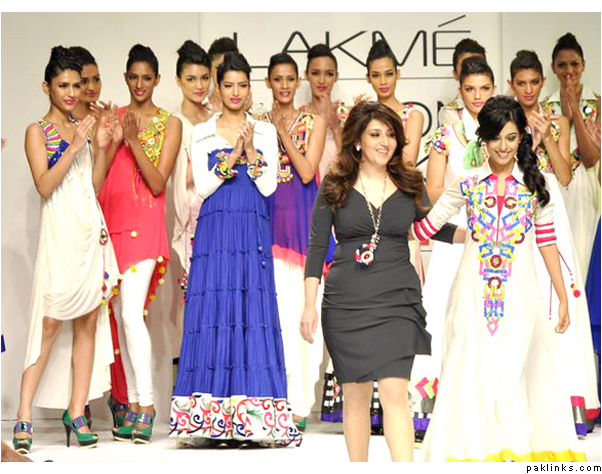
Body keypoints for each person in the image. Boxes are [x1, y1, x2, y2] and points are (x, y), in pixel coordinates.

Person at [420, 96, 584, 462]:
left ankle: (512, 447)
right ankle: (479, 449)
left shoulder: (535, 184)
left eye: (511, 137)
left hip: (522, 292)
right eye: (495, 137)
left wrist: (562, 297)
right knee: (472, 367)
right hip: (470, 291)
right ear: (483, 139)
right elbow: (428, 225)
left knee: (512, 369)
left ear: (521, 137)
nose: (503, 146)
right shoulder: (467, 182)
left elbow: (547, 242)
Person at [301, 101, 461, 461]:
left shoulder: (409, 182)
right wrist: (309, 305)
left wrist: (476, 234)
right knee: (355, 396)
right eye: (375, 134)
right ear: (357, 140)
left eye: (390, 134)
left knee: (394, 392)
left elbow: (431, 227)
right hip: (346, 303)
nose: (384, 142)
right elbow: (316, 247)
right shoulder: (335, 184)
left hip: (398, 298)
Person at [169, 52, 301, 447]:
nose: (236, 92)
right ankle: (211, 423)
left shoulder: (264, 130)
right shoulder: (202, 131)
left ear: (250, 88)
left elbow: (269, 186)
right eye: (228, 85)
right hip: (215, 232)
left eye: (243, 85)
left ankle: (252, 421)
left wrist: (252, 152)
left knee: (250, 312)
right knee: (215, 312)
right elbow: (203, 186)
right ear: (218, 87)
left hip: (251, 229)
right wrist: (232, 154)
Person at [13, 46, 118, 453]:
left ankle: (77, 411)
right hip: (59, 234)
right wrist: (75, 145)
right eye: (63, 86)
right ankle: (23, 414)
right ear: (47, 87)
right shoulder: (37, 131)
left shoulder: (83, 127)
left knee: (88, 321)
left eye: (77, 85)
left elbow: (93, 185)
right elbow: (44, 185)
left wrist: (102, 145)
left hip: (88, 230)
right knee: (49, 323)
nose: (72, 93)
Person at [510, 49, 600, 435]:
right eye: (521, 83)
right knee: (523, 299)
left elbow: (563, 176)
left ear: (542, 82)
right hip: (517, 216)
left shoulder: (558, 121)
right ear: (512, 84)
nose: (528, 89)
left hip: (552, 216)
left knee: (560, 299)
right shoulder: (506, 120)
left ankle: (565, 403)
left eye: (534, 82)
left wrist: (546, 137)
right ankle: (522, 403)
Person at [98, 44, 182, 444]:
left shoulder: (170, 124)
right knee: (119, 315)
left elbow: (158, 182)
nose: (139, 84)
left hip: (144, 227)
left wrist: (131, 140)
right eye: (133, 77)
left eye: (147, 78)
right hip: (111, 223)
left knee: (132, 313)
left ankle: (147, 405)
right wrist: (109, 140)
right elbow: (99, 175)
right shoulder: (113, 118)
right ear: (125, 77)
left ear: (158, 80)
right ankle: (132, 403)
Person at [409, 55, 495, 440]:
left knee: (488, 313)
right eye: (470, 89)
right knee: (444, 313)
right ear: (459, 91)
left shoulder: (506, 130)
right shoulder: (446, 134)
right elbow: (432, 190)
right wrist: (471, 195)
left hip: (495, 233)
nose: (477, 96)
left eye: (484, 88)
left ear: (494, 89)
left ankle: (486, 406)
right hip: (457, 231)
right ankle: (432, 408)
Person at [255, 52, 327, 432]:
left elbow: (307, 171)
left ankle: (301, 403)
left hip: (303, 231)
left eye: (289, 79)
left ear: (298, 82)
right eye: (277, 79)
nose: (284, 86)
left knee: (306, 321)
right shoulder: (255, 125)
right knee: (276, 320)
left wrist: (283, 134)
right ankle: (278, 399)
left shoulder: (314, 122)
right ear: (268, 82)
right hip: (268, 230)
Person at [543, 33, 601, 279]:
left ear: (584, 65)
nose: (569, 71)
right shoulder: (545, 107)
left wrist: (575, 112)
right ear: (553, 68)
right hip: (557, 187)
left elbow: (591, 159)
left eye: (574, 64)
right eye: (562, 65)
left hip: (588, 187)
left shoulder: (597, 103)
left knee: (587, 253)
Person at [172, 40, 212, 293]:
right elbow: (181, 178)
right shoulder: (174, 122)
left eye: (204, 78)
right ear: (178, 81)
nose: (199, 86)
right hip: (191, 215)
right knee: (194, 292)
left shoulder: (216, 117)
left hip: (220, 210)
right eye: (191, 79)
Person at [365, 39, 424, 166]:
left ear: (398, 74)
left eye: (389, 74)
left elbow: (408, 163)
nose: (383, 81)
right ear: (368, 78)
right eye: (375, 75)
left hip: (398, 179)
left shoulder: (413, 116)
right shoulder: (365, 116)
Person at [300, 44, 349, 181]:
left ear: (336, 76)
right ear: (306, 75)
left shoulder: (347, 116)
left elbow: (352, 163)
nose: (322, 80)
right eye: (315, 73)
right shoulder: (298, 118)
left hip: (340, 188)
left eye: (329, 74)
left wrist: (335, 128)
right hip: (307, 189)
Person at [438, 38, 487, 126]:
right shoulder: (449, 112)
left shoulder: (501, 106)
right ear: (455, 74)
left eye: (477, 65)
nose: (472, 70)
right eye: (465, 66)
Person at [206, 37, 239, 115]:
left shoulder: (255, 110)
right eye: (218, 67)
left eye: (229, 67)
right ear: (209, 70)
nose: (223, 73)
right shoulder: (199, 108)